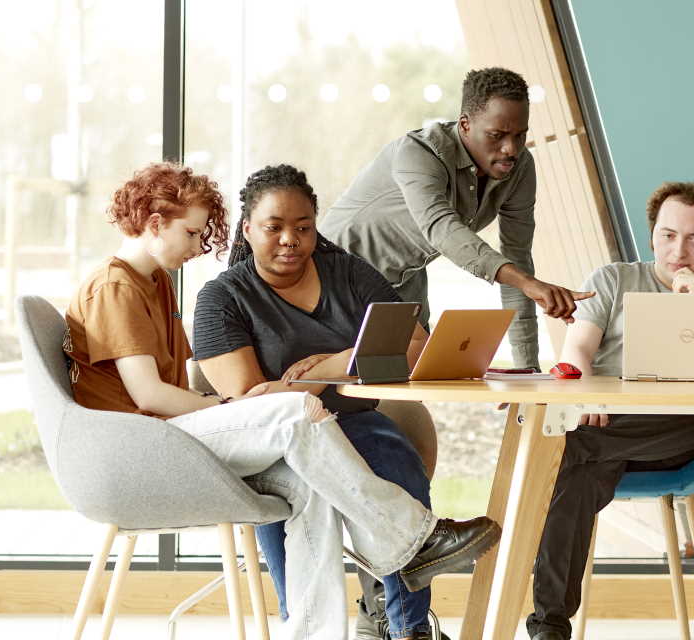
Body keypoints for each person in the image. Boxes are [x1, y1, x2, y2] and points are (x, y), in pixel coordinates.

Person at [62, 162, 501, 640]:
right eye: (191, 233)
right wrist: (251, 406)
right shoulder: (119, 286)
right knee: (291, 413)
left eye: (303, 227)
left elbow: (412, 344)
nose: (198, 246)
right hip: (140, 447)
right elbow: (150, 395)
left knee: (306, 467)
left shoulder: (155, 282)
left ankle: (323, 628)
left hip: (173, 433)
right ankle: (414, 538)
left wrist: (304, 382)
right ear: (154, 223)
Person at [192, 164, 491, 640]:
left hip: (352, 421)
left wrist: (333, 363)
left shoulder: (349, 273)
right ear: (248, 230)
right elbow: (254, 403)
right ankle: (308, 621)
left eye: (304, 227)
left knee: (396, 459)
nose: (290, 239)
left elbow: (413, 345)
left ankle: (408, 628)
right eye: (274, 228)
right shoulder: (222, 298)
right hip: (276, 446)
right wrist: (343, 368)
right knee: (291, 489)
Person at [525, 181, 694, 640]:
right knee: (580, 472)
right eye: (669, 235)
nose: (680, 251)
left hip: (684, 430)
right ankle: (550, 628)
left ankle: (535, 614)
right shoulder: (612, 280)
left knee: (568, 450)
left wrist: (693, 306)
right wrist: (584, 393)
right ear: (652, 234)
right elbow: (577, 350)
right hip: (609, 424)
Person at [318, 66, 592, 373]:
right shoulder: (418, 152)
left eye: (520, 135)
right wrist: (527, 282)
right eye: (497, 135)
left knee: (411, 381)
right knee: (342, 383)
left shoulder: (520, 168)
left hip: (402, 283)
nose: (510, 149)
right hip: (334, 277)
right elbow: (442, 230)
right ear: (464, 124)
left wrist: (527, 370)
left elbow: (518, 258)